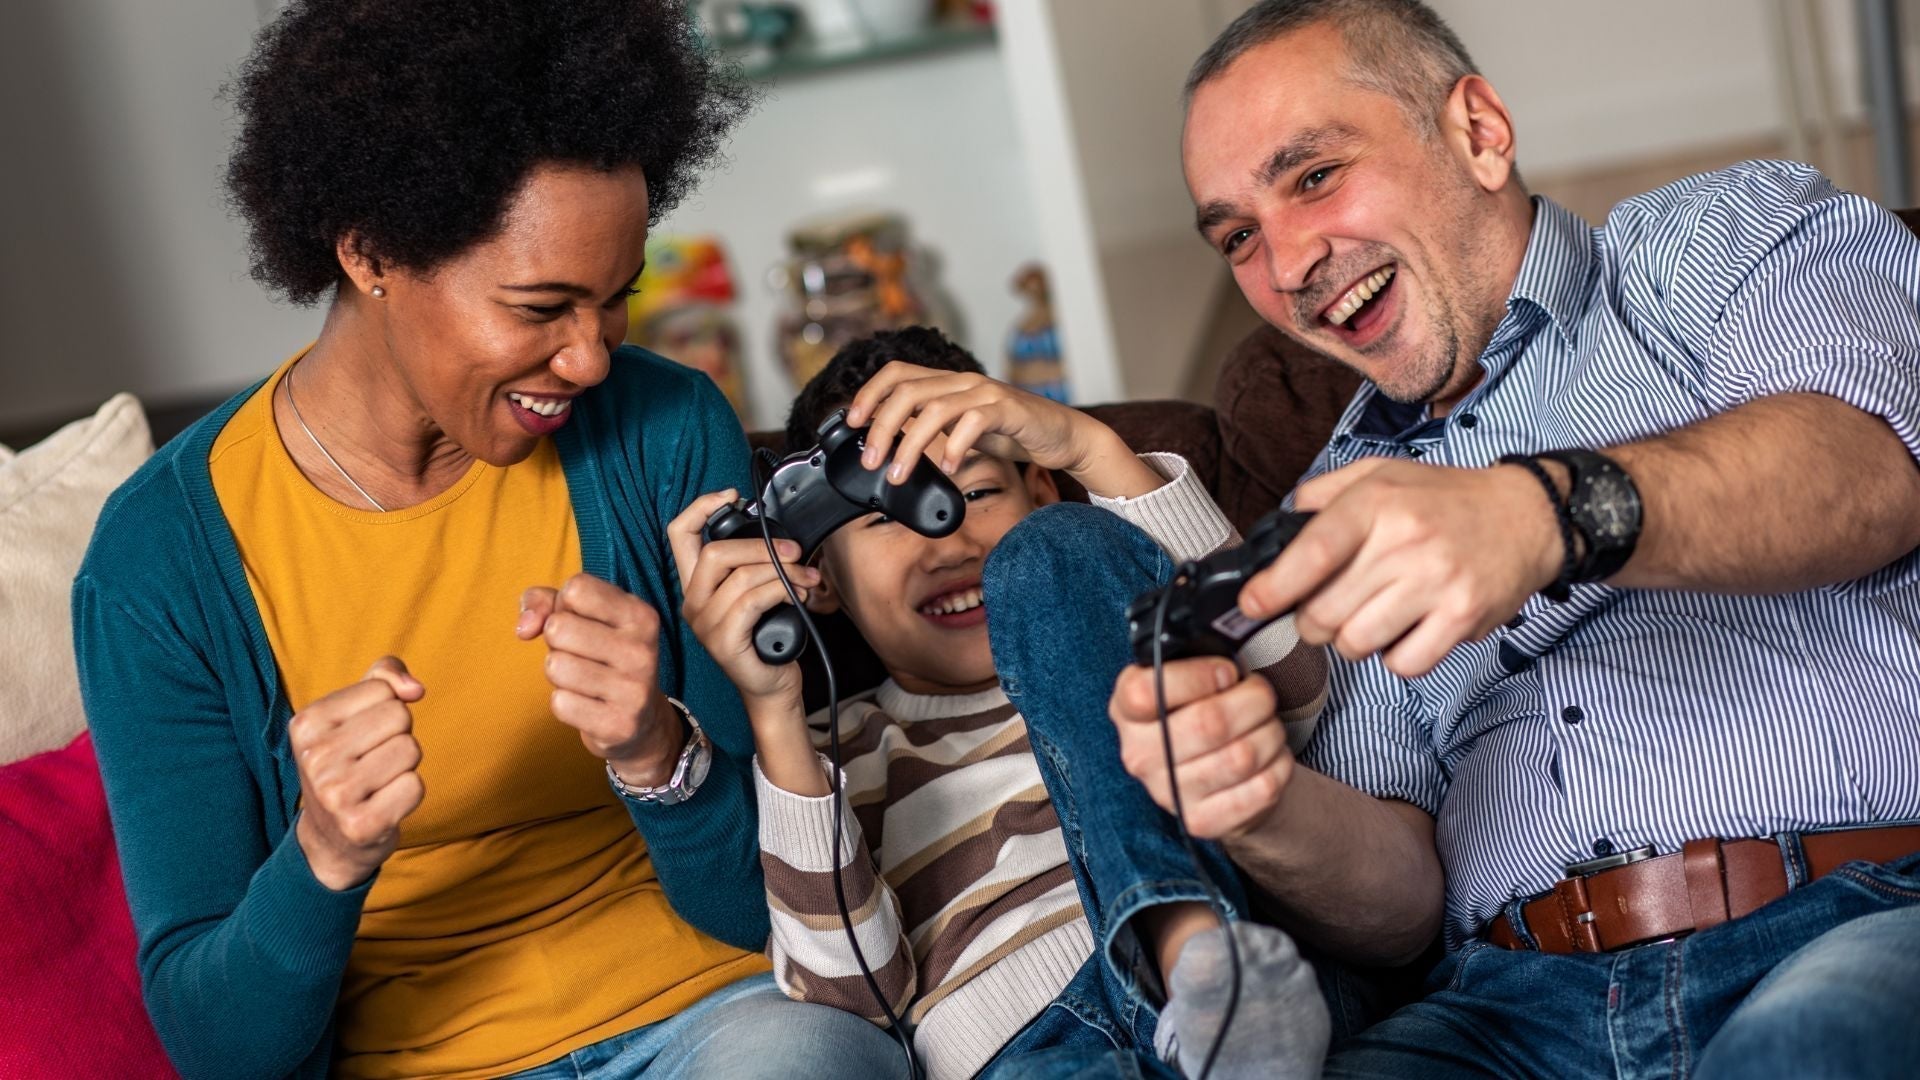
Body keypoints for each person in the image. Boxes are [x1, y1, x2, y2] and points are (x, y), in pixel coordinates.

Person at [959, 0, 1920, 1076]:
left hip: (1846, 909)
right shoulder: (1329, 510)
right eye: (1237, 235)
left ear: (1478, 132)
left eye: (1314, 176)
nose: (1287, 265)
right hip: (1510, 1009)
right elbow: (1401, 906)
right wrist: (1259, 799)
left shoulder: (1718, 243)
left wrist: (1541, 515)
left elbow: (1869, 467)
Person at [71, 3, 907, 1078]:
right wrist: (322, 858)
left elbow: (770, 909)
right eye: (540, 306)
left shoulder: (664, 434)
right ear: (371, 252)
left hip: (720, 1019)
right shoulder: (160, 561)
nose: (592, 359)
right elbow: (223, 1051)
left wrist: (664, 755)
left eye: (613, 302)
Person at [667, 327, 1333, 1079]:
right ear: (815, 574)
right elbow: (853, 998)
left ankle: (1196, 960)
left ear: (1041, 484)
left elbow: (1300, 692)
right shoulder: (835, 752)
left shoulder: (1122, 621)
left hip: (1245, 982)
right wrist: (774, 713)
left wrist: (1090, 450)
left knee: (1048, 556)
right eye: (886, 518)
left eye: (976, 493)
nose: (947, 542)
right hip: (1022, 1041)